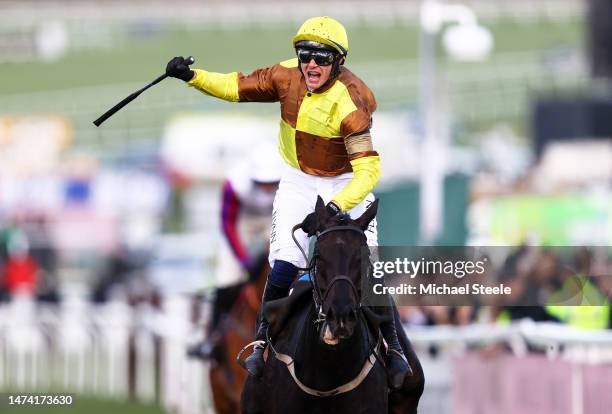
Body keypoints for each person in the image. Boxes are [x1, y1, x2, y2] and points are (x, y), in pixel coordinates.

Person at [166, 16, 410, 388]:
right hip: (299, 182)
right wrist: (192, 76)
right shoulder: (284, 76)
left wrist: (334, 207)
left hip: (347, 182)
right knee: (283, 266)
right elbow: (235, 86)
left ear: (338, 62)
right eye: (305, 55)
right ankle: (260, 343)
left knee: (369, 271)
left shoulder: (353, 99)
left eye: (322, 57)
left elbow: (368, 172)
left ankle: (393, 350)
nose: (311, 64)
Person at [189, 145, 282, 360]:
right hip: (242, 225)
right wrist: (243, 260)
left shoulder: (288, 180)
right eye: (262, 184)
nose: (268, 189)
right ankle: (211, 339)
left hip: (273, 220)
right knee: (226, 281)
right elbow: (228, 225)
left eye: (272, 183)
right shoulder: (234, 183)